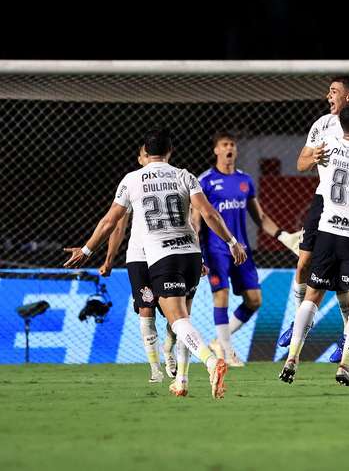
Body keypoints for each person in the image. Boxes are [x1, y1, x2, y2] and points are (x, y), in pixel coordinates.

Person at [64, 130, 247, 399]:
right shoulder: (185, 175)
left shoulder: (132, 180)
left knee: (178, 321)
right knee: (184, 319)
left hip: (164, 256)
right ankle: (181, 381)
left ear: (145, 154)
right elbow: (208, 213)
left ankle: (211, 362)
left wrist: (88, 249)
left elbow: (110, 221)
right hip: (192, 256)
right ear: (170, 152)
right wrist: (232, 242)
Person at [278, 75, 349, 364]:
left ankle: (347, 337)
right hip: (325, 200)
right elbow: (301, 163)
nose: (327, 96)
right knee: (304, 262)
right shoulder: (321, 124)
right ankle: (299, 322)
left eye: (333, 92)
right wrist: (314, 157)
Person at [192, 131, 299, 367]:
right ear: (216, 150)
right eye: (224, 145)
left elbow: (259, 217)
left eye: (232, 144)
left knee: (254, 300)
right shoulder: (205, 181)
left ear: (236, 150)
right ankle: (227, 353)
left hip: (242, 249)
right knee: (221, 296)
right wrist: (199, 252)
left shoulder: (245, 181)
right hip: (216, 249)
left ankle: (219, 342)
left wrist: (283, 236)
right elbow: (196, 219)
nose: (229, 148)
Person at [99, 145, 177, 383]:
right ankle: (155, 369)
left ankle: (169, 350)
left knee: (175, 314)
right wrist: (109, 259)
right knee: (146, 308)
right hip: (139, 256)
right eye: (144, 155)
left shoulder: (172, 179)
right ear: (141, 159)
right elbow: (119, 225)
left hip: (167, 253)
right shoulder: (132, 183)